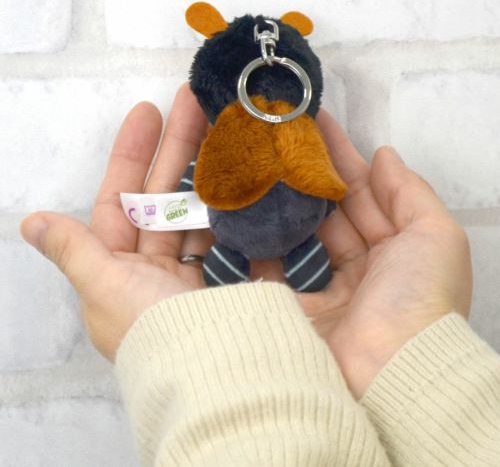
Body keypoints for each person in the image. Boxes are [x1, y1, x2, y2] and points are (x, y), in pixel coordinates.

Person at [21, 83, 500, 466]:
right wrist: (413, 367)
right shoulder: (220, 160)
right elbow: (197, 183)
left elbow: (322, 184)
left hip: (291, 241)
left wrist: (197, 358)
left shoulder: (298, 154)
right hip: (240, 241)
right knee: (240, 261)